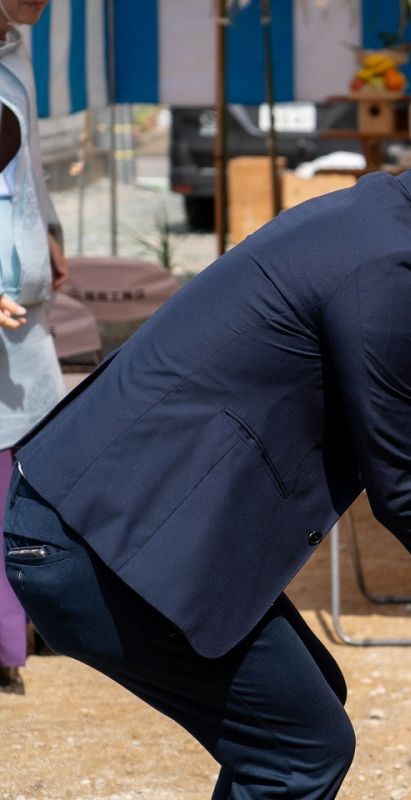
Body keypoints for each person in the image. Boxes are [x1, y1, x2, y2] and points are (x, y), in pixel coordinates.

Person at [4, 81, 411, 796]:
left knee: (312, 700)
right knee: (299, 749)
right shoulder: (393, 268)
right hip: (97, 540)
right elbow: (402, 484)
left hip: (99, 516)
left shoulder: (368, 214)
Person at [0, 0, 68, 695]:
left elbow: (26, 163)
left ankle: (26, 624)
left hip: (26, 308)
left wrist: (48, 228)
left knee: (37, 461)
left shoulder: (16, 50)